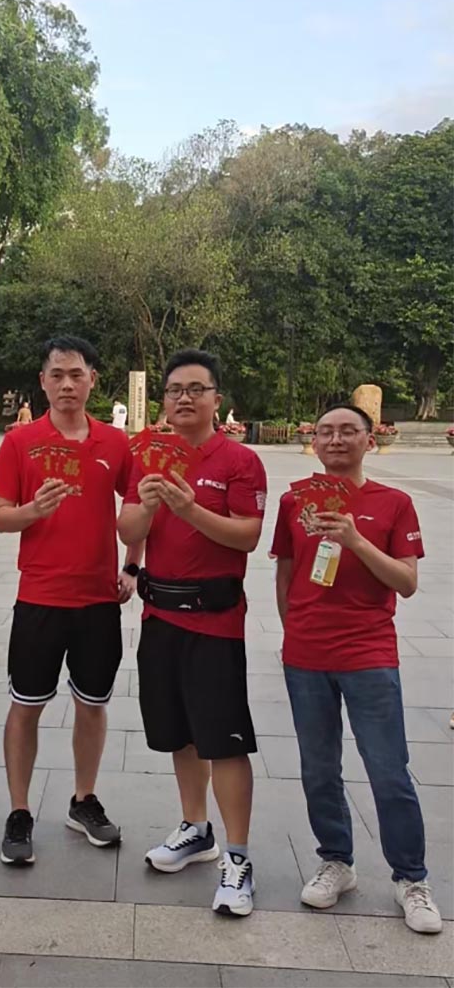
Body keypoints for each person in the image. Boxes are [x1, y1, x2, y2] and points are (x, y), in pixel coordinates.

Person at [271, 404, 442, 934]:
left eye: (349, 431)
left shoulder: (394, 503)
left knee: (388, 769)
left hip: (369, 654)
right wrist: (293, 631)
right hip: (306, 656)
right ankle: (336, 862)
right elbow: (286, 573)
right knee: (318, 768)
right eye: (326, 431)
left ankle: (411, 878)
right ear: (314, 441)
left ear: (370, 440)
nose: (336, 439)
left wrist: (355, 540)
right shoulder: (295, 501)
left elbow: (406, 582)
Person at [118, 348, 266, 917]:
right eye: (175, 389)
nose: (184, 398)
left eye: (196, 389)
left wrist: (190, 508)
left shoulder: (238, 460)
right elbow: (127, 527)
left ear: (216, 399)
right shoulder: (150, 457)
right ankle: (195, 828)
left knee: (223, 740)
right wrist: (149, 504)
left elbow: (247, 535)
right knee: (179, 734)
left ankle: (237, 856)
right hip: (160, 617)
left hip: (215, 622)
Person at [0, 335, 141, 866]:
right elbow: (0, 517)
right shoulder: (20, 442)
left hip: (98, 598)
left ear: (93, 380)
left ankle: (83, 799)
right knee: (26, 705)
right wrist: (34, 509)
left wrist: (132, 565)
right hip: (40, 596)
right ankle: (19, 810)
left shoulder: (115, 443)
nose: (67, 384)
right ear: (43, 381)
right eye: (57, 375)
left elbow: (137, 506)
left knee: (92, 703)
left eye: (76, 374)